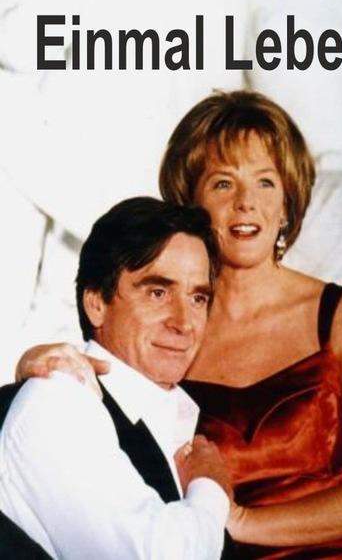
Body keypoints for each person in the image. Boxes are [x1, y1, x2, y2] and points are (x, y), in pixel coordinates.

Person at [17, 91, 342, 558]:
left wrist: (237, 520)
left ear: (286, 204)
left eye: (265, 182)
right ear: (192, 204)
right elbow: (100, 387)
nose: (246, 203)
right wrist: (31, 364)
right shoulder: (173, 331)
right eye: (223, 184)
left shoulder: (341, 314)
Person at [0, 197, 233, 559]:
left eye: (197, 298)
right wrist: (210, 487)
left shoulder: (173, 417)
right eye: (158, 292)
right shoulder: (59, 403)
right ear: (96, 303)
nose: (184, 322)